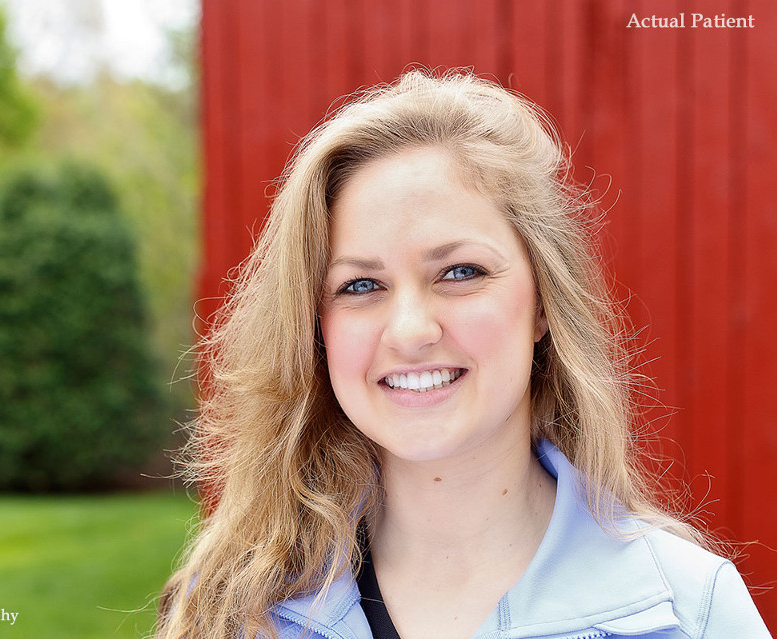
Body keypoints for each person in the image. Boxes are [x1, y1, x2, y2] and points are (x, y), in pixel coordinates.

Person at [156, 70, 771, 638]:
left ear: (542, 304)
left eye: (459, 271)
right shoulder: (232, 612)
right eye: (360, 286)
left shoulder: (690, 613)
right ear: (313, 329)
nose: (411, 329)